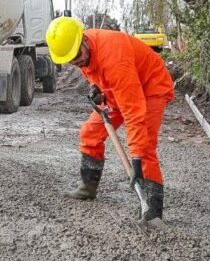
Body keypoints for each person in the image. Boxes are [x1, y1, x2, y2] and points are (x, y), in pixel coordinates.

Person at [45, 16, 174, 224]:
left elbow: (133, 112)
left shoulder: (114, 59)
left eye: (77, 55)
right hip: (117, 89)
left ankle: (153, 211)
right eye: (70, 59)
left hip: (151, 87)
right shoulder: (84, 51)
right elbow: (95, 71)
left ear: (84, 40)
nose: (76, 61)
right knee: (90, 133)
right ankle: (88, 187)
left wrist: (137, 159)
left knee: (146, 147)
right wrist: (96, 87)